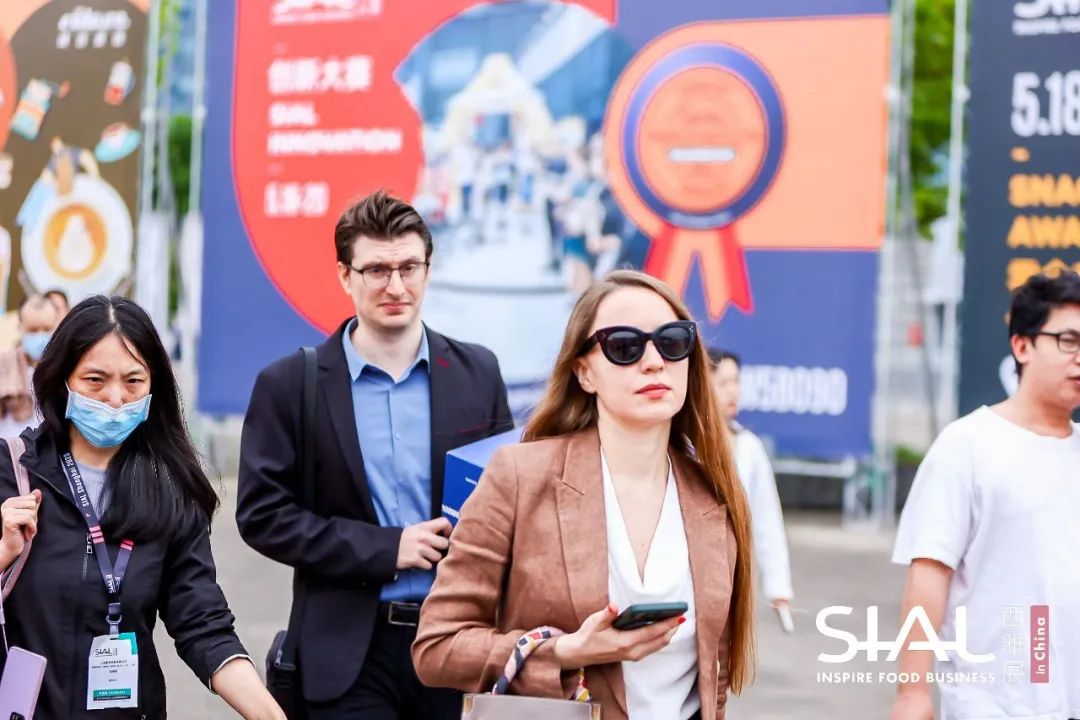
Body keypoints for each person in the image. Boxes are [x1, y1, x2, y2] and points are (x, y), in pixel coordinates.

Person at [413, 269, 755, 720]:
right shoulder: (519, 476)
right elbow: (437, 647)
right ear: (584, 372)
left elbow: (714, 680)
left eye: (673, 341)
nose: (654, 361)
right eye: (624, 346)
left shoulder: (714, 493)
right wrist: (565, 651)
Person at [237, 190, 513, 719]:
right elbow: (262, 516)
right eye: (377, 270)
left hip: (456, 642)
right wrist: (387, 548)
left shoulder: (478, 374)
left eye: (409, 267)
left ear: (428, 270)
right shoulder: (290, 384)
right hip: (346, 656)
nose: (396, 286)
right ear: (346, 276)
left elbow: (510, 503)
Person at [0, 295, 284, 719]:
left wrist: (270, 714)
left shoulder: (170, 492)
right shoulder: (11, 472)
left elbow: (203, 623)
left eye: (133, 381)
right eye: (95, 380)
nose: (115, 398)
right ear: (63, 381)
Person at [890, 272, 1080, 720]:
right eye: (1069, 341)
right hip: (995, 703)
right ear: (1022, 346)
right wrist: (912, 692)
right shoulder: (968, 445)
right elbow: (929, 574)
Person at [709, 350, 794, 628]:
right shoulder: (681, 443)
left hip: (734, 577)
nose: (732, 391)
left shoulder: (749, 446)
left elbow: (767, 517)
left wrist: (778, 586)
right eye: (723, 383)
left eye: (736, 382)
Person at [0, 294, 62, 437]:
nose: (40, 336)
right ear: (20, 328)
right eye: (33, 330)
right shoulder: (4, 365)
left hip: (52, 446)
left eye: (47, 329)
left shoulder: (65, 367)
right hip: (10, 446)